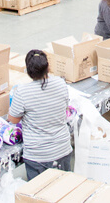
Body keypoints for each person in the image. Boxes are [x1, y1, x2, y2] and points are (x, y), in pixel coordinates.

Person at [8, 50, 73, 180]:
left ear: (28, 71)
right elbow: (65, 108)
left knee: (39, 195)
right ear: (48, 67)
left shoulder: (22, 92)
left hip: (38, 155)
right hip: (62, 148)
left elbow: (13, 119)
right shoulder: (61, 83)